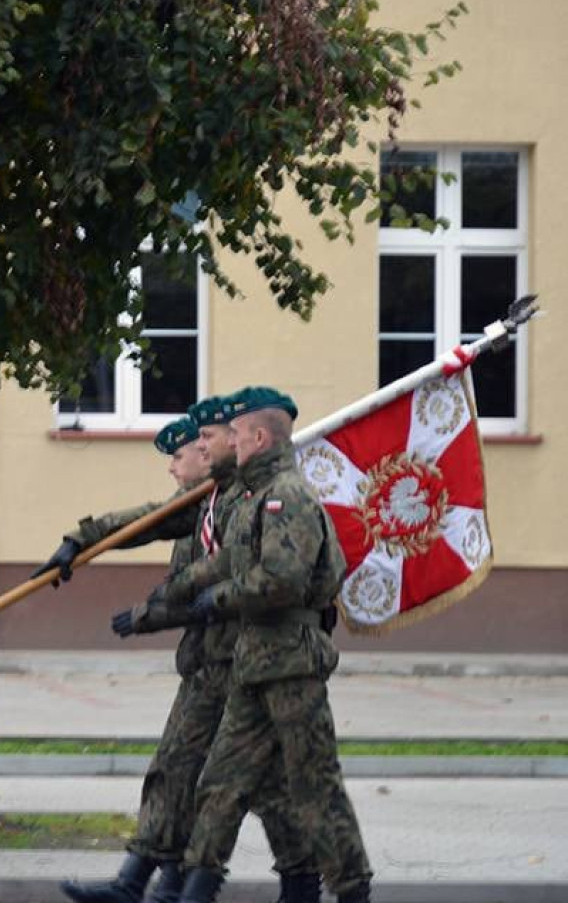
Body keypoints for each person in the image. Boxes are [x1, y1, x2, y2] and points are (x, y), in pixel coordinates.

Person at [37, 398, 312, 903]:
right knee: (180, 770)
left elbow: (225, 589)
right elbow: (147, 522)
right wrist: (79, 540)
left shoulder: (246, 500)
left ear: (236, 442)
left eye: (199, 444)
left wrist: (149, 616)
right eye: (200, 443)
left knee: (252, 786)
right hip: (211, 664)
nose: (189, 458)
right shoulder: (209, 501)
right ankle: (148, 882)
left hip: (247, 664)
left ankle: (292, 884)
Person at [166, 387, 373, 903]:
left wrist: (218, 599)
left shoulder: (287, 497)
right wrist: (175, 594)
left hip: (291, 665)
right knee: (220, 781)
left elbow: (279, 580)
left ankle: (352, 891)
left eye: (234, 434)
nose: (227, 442)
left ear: (259, 437)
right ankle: (193, 891)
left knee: (315, 788)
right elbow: (226, 560)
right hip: (253, 665)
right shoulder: (257, 499)